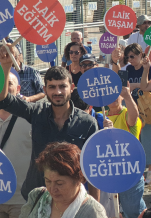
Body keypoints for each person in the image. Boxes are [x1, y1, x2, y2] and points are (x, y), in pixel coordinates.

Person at [0, 47, 100, 201]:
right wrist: (6, 67)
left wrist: (95, 208)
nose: (57, 92)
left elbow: (93, 169)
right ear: (45, 90)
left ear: (72, 88)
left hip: (70, 200)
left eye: (62, 86)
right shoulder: (36, 112)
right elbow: (5, 100)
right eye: (52, 87)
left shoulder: (87, 122)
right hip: (36, 198)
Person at [19, 142, 107, 218]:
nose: (52, 189)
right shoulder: (36, 196)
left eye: (59, 183)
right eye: (48, 181)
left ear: (77, 180)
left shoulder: (93, 212)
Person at [103, 84, 145, 218]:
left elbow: (133, 117)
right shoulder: (100, 117)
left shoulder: (127, 113)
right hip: (108, 172)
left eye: (117, 94)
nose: (114, 98)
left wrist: (127, 95)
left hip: (129, 171)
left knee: (134, 211)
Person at [0, 73, 32, 218]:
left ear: (18, 88)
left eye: (9, 83)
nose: (3, 88)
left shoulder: (31, 116)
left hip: (21, 200)